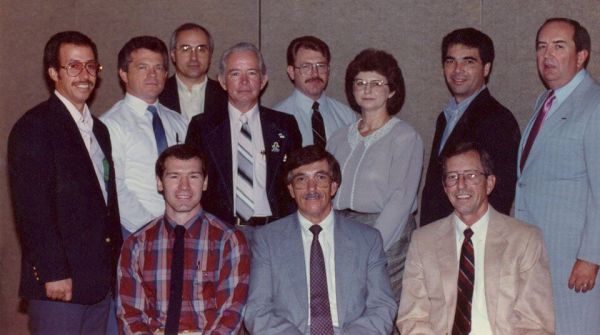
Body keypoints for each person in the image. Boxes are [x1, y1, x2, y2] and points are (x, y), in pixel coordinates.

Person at [8, 31, 122, 335]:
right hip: (60, 286)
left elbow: (106, 206)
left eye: (90, 66)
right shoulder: (35, 126)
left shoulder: (99, 130)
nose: (84, 75)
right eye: (73, 66)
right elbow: (32, 209)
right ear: (53, 73)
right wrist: (52, 272)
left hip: (99, 283)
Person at [397, 142, 554, 334]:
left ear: (489, 183)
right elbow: (412, 318)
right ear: (445, 188)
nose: (461, 185)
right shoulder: (423, 241)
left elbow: (535, 324)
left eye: (471, 175)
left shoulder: (525, 239)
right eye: (452, 177)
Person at [245, 145, 397, 334]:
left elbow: (382, 306)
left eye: (320, 177)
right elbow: (257, 311)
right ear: (291, 190)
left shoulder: (367, 239)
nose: (311, 188)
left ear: (334, 186)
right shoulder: (267, 239)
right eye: (301, 179)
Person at [515, 17, 600, 334]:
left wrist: (590, 257)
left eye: (558, 46)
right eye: (541, 47)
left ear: (581, 56)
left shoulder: (595, 105)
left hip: (574, 263)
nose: (546, 55)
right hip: (539, 256)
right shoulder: (544, 101)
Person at [117, 144, 250, 334]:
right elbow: (130, 313)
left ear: (204, 183)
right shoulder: (136, 244)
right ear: (159, 183)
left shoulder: (229, 240)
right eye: (174, 176)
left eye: (193, 176)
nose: (184, 186)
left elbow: (231, 312)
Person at [327, 48, 423, 306]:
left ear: (391, 90)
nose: (367, 89)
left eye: (376, 83)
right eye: (360, 83)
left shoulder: (405, 137)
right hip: (341, 233)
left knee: (379, 312)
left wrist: (370, 249)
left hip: (386, 237)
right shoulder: (337, 137)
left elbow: (401, 200)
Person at [185, 42, 301, 232]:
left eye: (252, 73)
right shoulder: (202, 127)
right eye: (235, 74)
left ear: (263, 80)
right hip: (220, 231)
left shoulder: (285, 125)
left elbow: (296, 181)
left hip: (273, 231)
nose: (244, 81)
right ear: (222, 81)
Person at [420, 27, 520, 226]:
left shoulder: (498, 119)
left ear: (486, 68)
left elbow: (500, 192)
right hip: (438, 234)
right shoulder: (446, 116)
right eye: (451, 61)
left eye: (468, 61)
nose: (458, 70)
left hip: (469, 239)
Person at [101, 36, 187, 236]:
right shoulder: (110, 125)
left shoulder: (179, 121)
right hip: (133, 230)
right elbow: (114, 187)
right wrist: (153, 227)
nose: (152, 75)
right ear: (123, 74)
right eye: (142, 67)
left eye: (158, 68)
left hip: (181, 227)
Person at [273, 35, 356, 147]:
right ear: (291, 72)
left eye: (321, 66)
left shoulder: (346, 116)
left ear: (328, 70)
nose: (315, 73)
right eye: (306, 67)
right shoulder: (277, 119)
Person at [159, 23, 228, 124]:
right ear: (173, 55)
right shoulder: (157, 94)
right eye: (186, 49)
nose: (194, 57)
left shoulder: (227, 96)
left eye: (201, 49)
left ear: (210, 55)